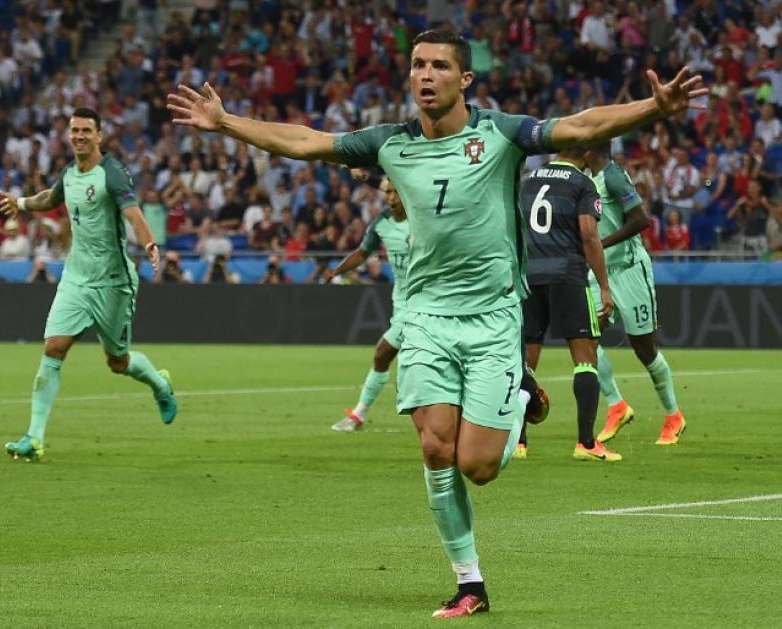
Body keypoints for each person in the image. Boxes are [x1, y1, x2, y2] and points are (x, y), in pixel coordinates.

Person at [168, 29, 705, 618]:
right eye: (418, 65)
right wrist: (225, 122)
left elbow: (579, 126)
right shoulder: (389, 143)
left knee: (477, 466)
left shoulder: (500, 133)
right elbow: (304, 142)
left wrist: (654, 106)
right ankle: (470, 582)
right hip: (424, 316)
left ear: (464, 79)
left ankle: (520, 396)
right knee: (433, 448)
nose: (425, 75)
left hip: (495, 317)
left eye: (439, 66)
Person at [0, 107, 178, 462]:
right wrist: (18, 203)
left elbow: (134, 215)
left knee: (118, 362)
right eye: (74, 130)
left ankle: (160, 384)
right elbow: (49, 199)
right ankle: (34, 438)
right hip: (76, 278)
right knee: (53, 348)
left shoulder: (112, 174)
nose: (79, 136)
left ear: (99, 136)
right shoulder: (68, 175)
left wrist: (151, 244)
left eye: (86, 131)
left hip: (113, 282)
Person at [517, 147, 617, 461]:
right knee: (585, 355)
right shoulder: (582, 183)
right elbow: (589, 234)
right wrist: (603, 286)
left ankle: (518, 442)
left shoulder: (529, 179)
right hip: (567, 275)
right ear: (587, 153)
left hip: (529, 276)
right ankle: (586, 444)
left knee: (526, 361)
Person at [586, 142, 687, 446]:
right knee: (585, 339)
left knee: (643, 348)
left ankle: (673, 416)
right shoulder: (588, 180)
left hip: (630, 270)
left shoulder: (613, 176)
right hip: (600, 272)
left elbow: (641, 219)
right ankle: (616, 405)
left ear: (590, 150)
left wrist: (603, 245)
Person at [325, 175, 409, 432]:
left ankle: (358, 415)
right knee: (385, 356)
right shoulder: (382, 223)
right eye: (387, 193)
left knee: (384, 353)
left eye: (396, 192)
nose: (391, 198)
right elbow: (363, 253)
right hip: (403, 303)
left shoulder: (425, 218)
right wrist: (336, 271)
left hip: (429, 301)